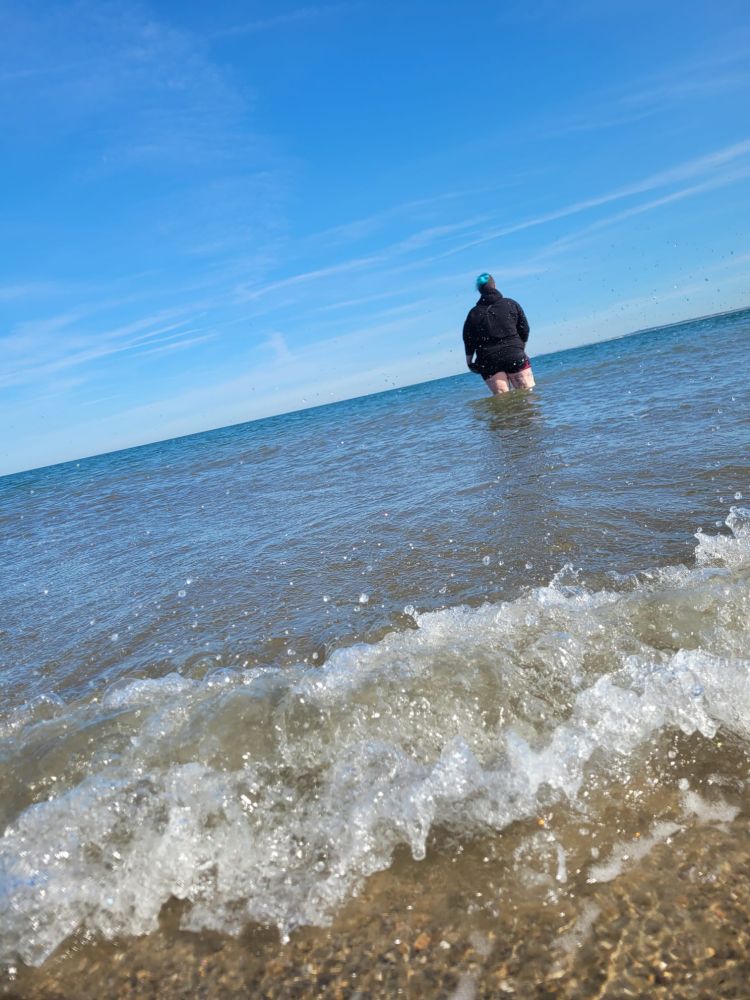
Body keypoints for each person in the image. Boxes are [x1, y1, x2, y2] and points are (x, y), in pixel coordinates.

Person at [463, 273, 535, 393]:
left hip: (488, 360)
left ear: (479, 291)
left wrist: (469, 363)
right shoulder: (511, 304)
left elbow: (468, 340)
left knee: (503, 402)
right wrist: (520, 348)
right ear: (495, 285)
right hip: (514, 354)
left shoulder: (473, 314)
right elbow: (524, 329)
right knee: (528, 394)